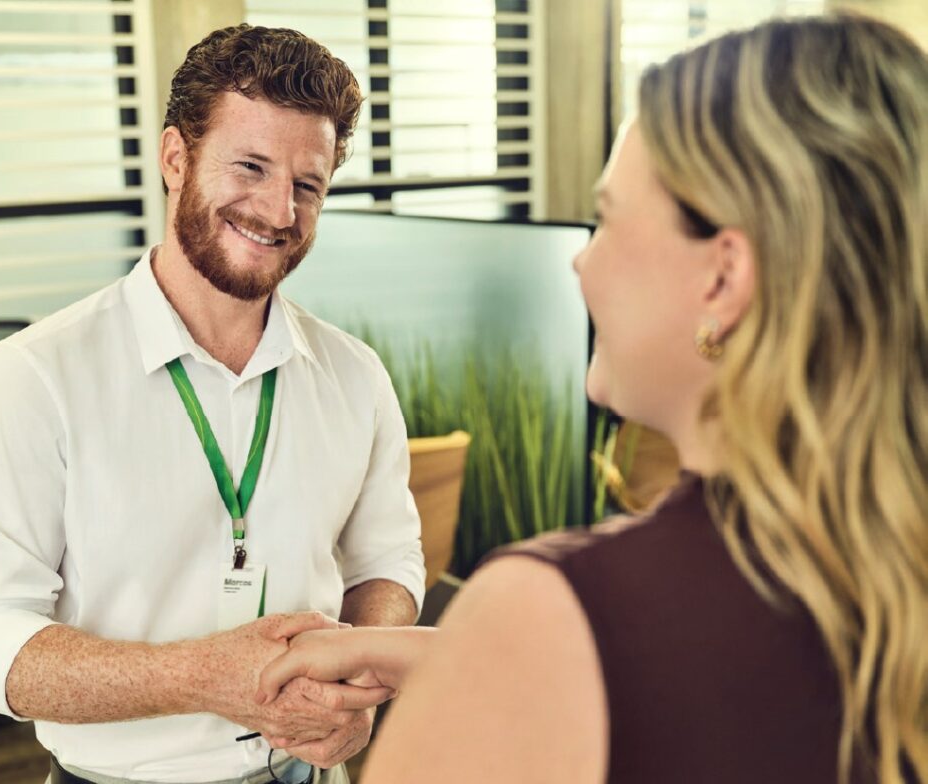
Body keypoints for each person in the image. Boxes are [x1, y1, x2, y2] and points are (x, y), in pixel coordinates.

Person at [256, 13, 928, 784]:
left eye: (607, 219)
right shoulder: (881, 570)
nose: (582, 264)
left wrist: (499, 644)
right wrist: (451, 652)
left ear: (724, 278)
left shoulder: (545, 606)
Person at [0, 25, 425, 784]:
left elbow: (386, 562)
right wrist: (202, 675)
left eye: (308, 184)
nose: (278, 211)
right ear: (176, 158)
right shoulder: (35, 376)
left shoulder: (355, 376)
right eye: (251, 167)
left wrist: (359, 680)